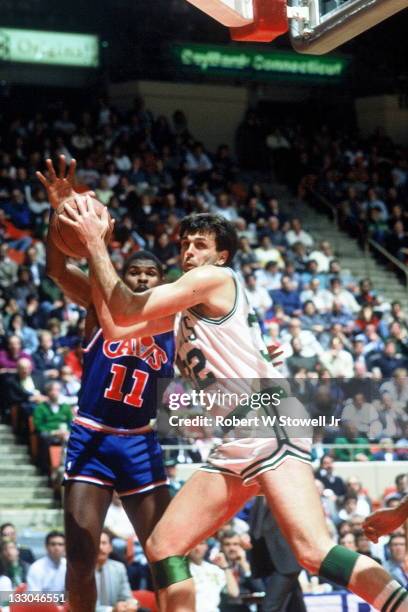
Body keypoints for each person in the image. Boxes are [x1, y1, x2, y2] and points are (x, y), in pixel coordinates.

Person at [60, 198, 408, 612]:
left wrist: (96, 244)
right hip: (237, 437)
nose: (189, 252)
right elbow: (118, 323)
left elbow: (125, 306)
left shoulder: (216, 277)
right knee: (164, 545)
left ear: (221, 255)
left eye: (200, 245)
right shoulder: (182, 308)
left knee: (312, 550)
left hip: (266, 418)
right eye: (185, 244)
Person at [37, 157, 175, 612]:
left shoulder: (173, 321)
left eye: (149, 274)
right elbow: (57, 270)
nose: (139, 278)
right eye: (133, 272)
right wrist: (59, 214)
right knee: (79, 558)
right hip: (91, 437)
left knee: (166, 554)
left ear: (162, 283)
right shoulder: (100, 305)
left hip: (141, 443)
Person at [249, 496, 307, 612]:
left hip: (288, 560)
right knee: (295, 605)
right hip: (270, 559)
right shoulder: (259, 496)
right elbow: (258, 527)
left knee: (269, 607)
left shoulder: (287, 491)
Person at [188, 541, 238, 612]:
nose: (197, 548)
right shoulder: (182, 571)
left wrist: (225, 566)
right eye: (193, 545)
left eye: (201, 544)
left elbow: (234, 592)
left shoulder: (214, 569)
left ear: (206, 547)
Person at [95, 529, 138, 612]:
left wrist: (131, 604)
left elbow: (126, 597)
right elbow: (84, 605)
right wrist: (112, 610)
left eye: (104, 543)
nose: (100, 547)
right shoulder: (82, 572)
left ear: (110, 548)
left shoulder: (119, 568)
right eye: (97, 543)